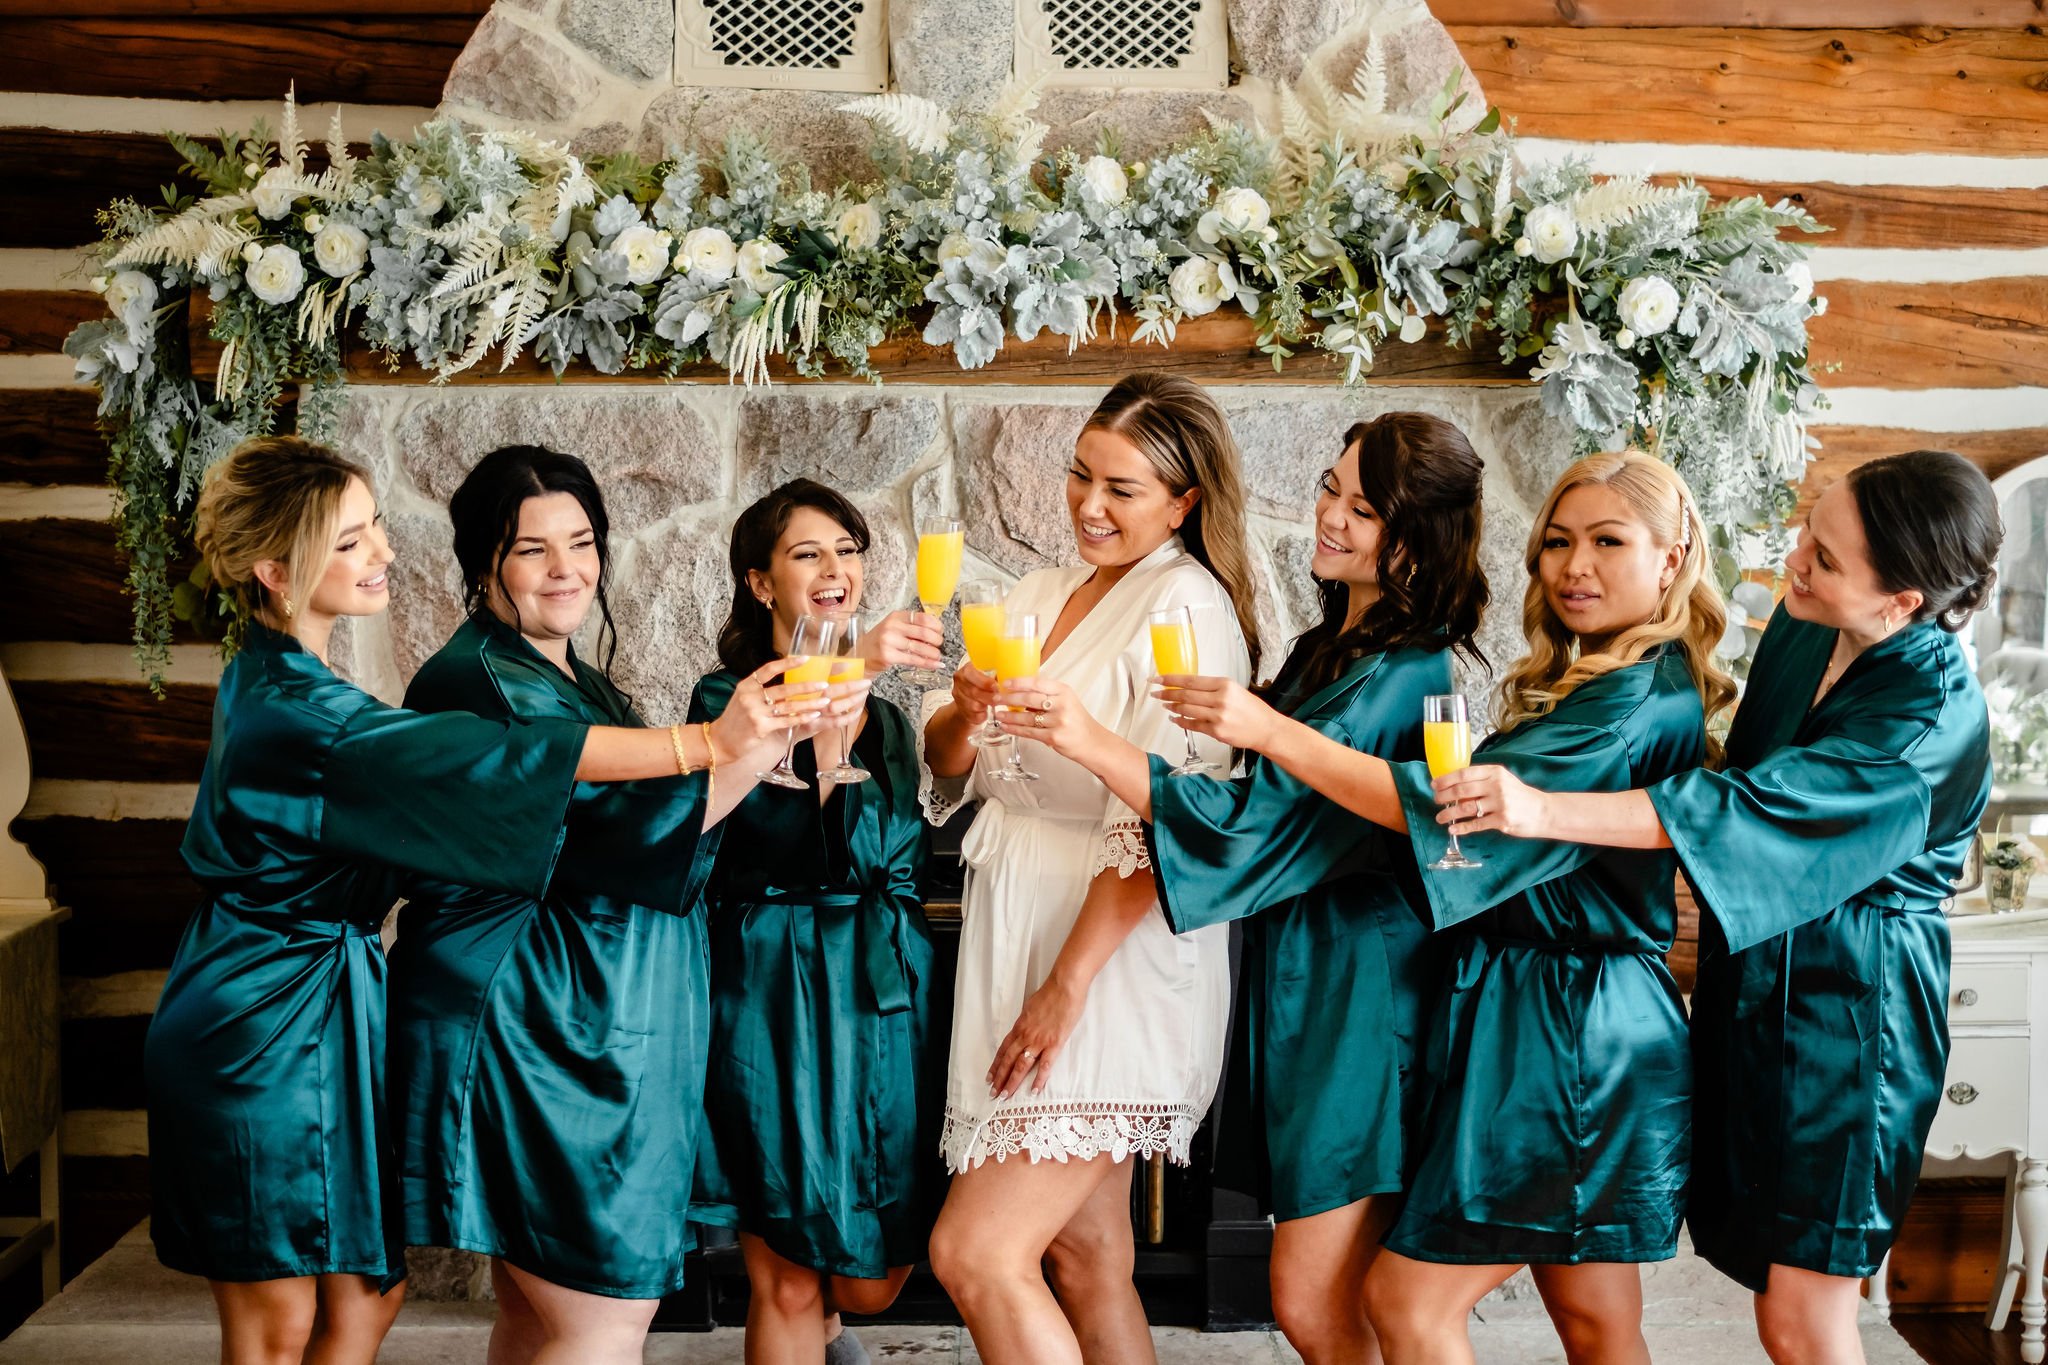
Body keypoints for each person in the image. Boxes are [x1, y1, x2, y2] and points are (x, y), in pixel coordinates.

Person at [144, 436, 856, 1365]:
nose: (383, 554)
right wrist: (711, 745)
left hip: (329, 1009)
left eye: (376, 532)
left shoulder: (300, 682)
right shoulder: (326, 708)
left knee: (369, 1298)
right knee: (288, 1323)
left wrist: (753, 747)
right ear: (276, 572)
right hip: (272, 1017)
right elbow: (532, 782)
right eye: (351, 540)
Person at [1149, 450, 1730, 1365]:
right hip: (1566, 1014)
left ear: (1672, 556)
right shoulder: (1617, 683)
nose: (1575, 567)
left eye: (1608, 542)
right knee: (1597, 1320)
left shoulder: (1628, 705)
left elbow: (1441, 811)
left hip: (1571, 1027)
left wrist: (1268, 731)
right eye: (1559, 543)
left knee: (1410, 1302)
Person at [1434, 449, 2000, 1365]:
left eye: (1824, 555)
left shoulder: (1925, 725)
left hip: (1857, 1023)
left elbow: (1742, 812)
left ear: (1902, 604)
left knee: (1803, 1319)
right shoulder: (1808, 627)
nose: (1794, 558)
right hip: (1758, 995)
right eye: (1809, 528)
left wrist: (1537, 807)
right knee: (1761, 1281)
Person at [994, 412, 1488, 1364]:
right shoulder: (1328, 645)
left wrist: (1085, 735)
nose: (1331, 517)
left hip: (1362, 993)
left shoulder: (1402, 671)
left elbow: (1246, 821)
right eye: (1329, 487)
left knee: (1314, 1297)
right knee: (1331, 1295)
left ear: (1416, 538)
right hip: (1305, 984)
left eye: (1364, 508)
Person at [391, 446, 852, 1363]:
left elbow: (650, 826)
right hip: (542, 1030)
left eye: (582, 542)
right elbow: (610, 842)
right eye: (533, 550)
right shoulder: (476, 678)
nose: (567, 570)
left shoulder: (566, 676)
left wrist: (770, 744)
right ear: (484, 560)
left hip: (588, 1027)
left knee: (542, 1317)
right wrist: (751, 747)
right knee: (600, 1318)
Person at [919, 372, 1258, 1365]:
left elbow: (1167, 820)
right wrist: (963, 709)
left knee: (974, 1254)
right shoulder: (1034, 594)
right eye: (1079, 475)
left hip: (1105, 957)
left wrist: (1063, 990)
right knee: (1085, 1256)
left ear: (1183, 501)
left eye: (1121, 489)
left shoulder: (1186, 608)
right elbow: (950, 769)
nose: (1088, 505)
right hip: (1014, 920)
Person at [688, 478, 947, 1364]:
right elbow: (763, 837)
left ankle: (834, 1332)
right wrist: (860, 661)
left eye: (848, 549)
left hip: (880, 994)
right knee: (791, 1269)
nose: (835, 568)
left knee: (875, 1276)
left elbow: (900, 858)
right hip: (773, 987)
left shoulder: (887, 722)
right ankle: (805, 1326)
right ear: (761, 583)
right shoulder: (729, 698)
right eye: (808, 553)